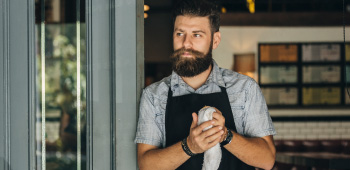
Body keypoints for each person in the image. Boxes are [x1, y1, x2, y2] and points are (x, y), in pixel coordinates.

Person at [135, 0, 276, 169]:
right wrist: (189, 146)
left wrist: (225, 135)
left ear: (215, 40)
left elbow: (267, 160)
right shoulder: (154, 95)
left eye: (197, 35)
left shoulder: (245, 88)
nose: (186, 43)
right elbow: (146, 165)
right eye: (180, 34)